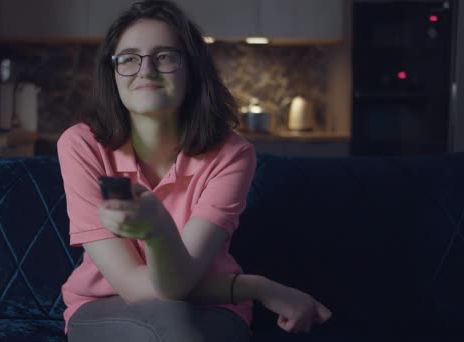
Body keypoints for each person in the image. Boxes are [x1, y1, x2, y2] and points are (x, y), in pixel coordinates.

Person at [57, 1, 332, 341]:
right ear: (112, 74)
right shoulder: (81, 145)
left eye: (165, 56)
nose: (146, 70)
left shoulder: (232, 155)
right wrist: (256, 287)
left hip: (211, 310)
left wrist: (156, 227)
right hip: (104, 305)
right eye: (128, 58)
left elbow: (178, 284)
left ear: (192, 70)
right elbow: (131, 286)